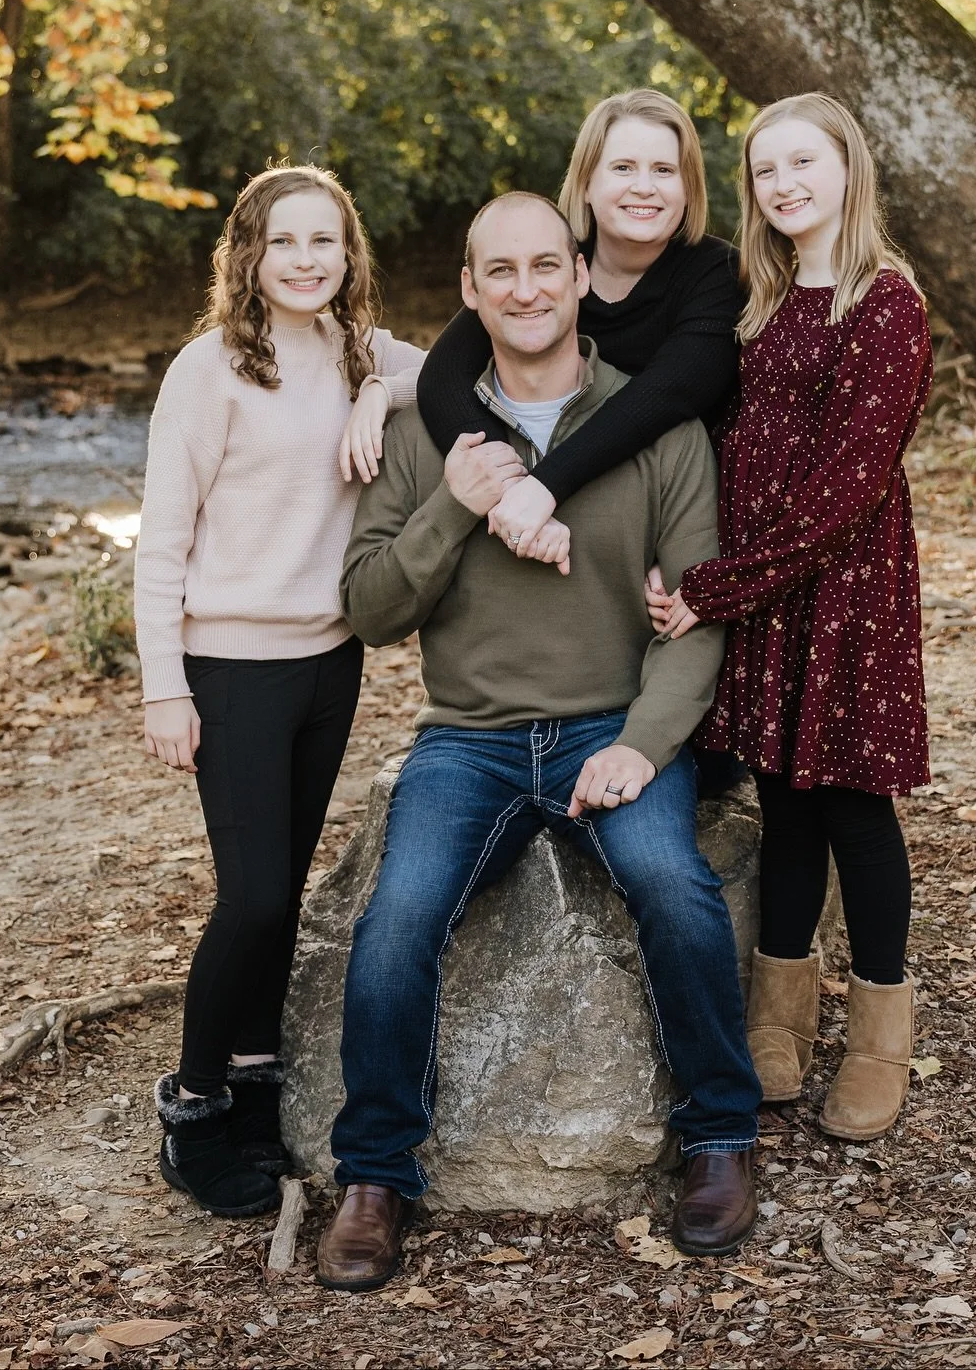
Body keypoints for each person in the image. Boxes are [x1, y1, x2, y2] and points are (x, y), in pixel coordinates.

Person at [316, 191, 761, 1291]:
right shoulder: (430, 431)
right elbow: (370, 609)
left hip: (611, 724)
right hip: (467, 739)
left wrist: (647, 746)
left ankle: (718, 1141)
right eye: (498, 272)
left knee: (672, 882)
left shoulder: (658, 426)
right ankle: (374, 1178)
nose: (524, 289)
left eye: (543, 267)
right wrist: (455, 505)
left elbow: (697, 615)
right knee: (398, 916)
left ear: (578, 277)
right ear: (470, 290)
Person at [133, 165, 424, 1217]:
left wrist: (379, 390)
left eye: (326, 242)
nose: (307, 260)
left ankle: (255, 1085)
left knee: (284, 896)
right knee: (251, 895)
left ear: (348, 255)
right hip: (229, 668)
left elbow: (458, 371)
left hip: (327, 662)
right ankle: (193, 1105)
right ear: (247, 255)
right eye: (285, 241)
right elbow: (161, 544)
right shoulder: (206, 372)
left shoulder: (358, 351)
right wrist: (165, 688)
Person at [651, 94, 933, 1143]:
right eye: (765, 171)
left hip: (844, 592)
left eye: (802, 163)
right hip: (763, 591)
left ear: (848, 167)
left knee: (853, 804)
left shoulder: (886, 303)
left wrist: (714, 590)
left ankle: (878, 1036)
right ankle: (780, 1017)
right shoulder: (759, 298)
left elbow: (845, 489)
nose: (783, 186)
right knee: (782, 798)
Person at [416, 89, 743, 568]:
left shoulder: (718, 275)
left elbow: (666, 395)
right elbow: (442, 377)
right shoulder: (551, 268)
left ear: (689, 186)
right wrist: (515, 493)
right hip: (557, 521)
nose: (645, 187)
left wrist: (544, 486)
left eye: (665, 171)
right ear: (587, 181)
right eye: (623, 168)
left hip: (682, 522)